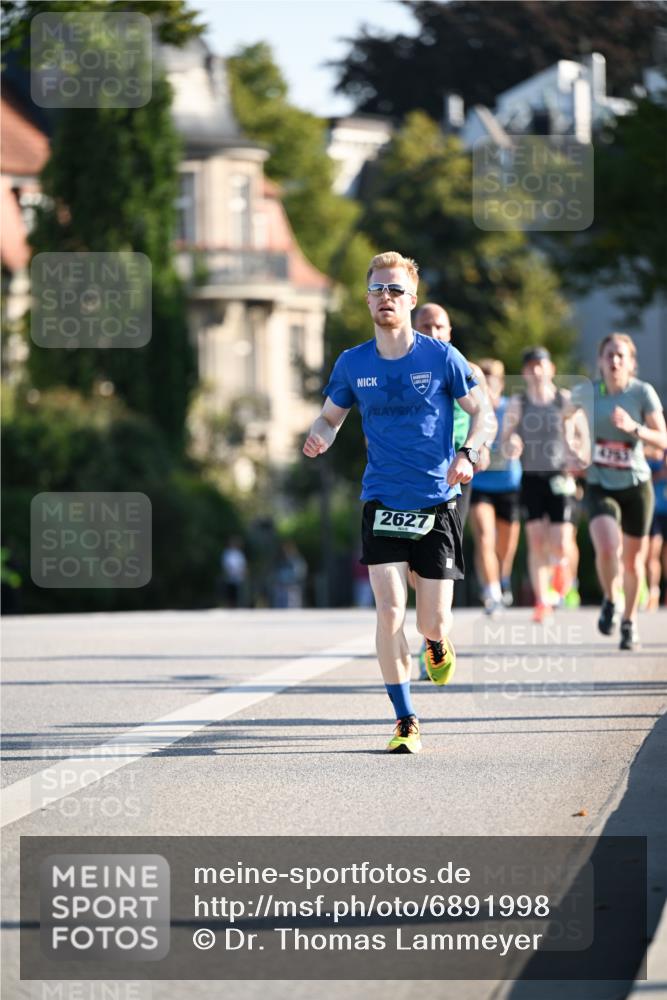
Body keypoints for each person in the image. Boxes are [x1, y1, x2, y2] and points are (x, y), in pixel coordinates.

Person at [303, 251, 493, 754]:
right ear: (367, 299)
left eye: (394, 290)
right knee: (388, 613)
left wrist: (470, 452)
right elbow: (329, 417)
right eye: (376, 289)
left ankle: (436, 642)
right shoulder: (353, 362)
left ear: (410, 300)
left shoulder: (441, 358)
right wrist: (319, 434)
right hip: (381, 500)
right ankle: (405, 717)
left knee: (432, 620)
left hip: (436, 501)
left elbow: (485, 414)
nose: (384, 297)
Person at [569, 333, 667, 650]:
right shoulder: (586, 392)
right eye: (609, 355)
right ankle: (611, 599)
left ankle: (629, 622)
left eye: (620, 356)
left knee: (633, 562)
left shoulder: (642, 393)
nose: (614, 361)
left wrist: (633, 428)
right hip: (599, 483)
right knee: (608, 547)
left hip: (637, 485)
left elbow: (662, 441)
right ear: (600, 360)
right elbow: (563, 421)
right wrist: (572, 450)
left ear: (631, 362)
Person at [503, 347, 586, 622]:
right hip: (531, 478)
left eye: (541, 365)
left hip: (560, 476)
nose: (537, 371)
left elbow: (581, 436)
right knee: (537, 542)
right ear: (525, 372)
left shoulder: (564, 401)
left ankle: (563, 571)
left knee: (561, 541)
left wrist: (577, 454)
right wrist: (511, 443)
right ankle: (542, 601)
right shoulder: (519, 403)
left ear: (551, 369)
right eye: (531, 366)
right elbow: (505, 438)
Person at [469, 359, 522, 615]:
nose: (487, 389)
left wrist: (515, 443)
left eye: (491, 383)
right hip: (479, 484)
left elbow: (521, 435)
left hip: (508, 484)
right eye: (483, 384)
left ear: (500, 385)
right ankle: (492, 592)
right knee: (484, 538)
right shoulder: (471, 409)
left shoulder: (511, 407)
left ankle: (503, 577)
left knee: (506, 546)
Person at [646, 443, 667, 610]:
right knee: (652, 553)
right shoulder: (654, 454)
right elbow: (644, 479)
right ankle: (653, 592)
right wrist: (661, 473)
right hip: (655, 510)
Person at [220, 537, 247, 608]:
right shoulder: (227, 553)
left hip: (238, 577)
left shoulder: (239, 553)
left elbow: (242, 565)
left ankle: (237, 606)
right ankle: (229, 606)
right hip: (229, 577)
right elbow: (225, 564)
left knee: (237, 593)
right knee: (229, 593)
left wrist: (242, 573)